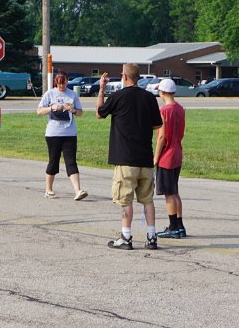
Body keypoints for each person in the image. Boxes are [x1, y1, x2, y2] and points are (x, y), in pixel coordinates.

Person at [96, 63, 163, 250]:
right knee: (147, 200)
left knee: (125, 199)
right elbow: (157, 125)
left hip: (125, 158)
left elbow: (99, 113)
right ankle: (151, 236)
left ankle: (126, 236)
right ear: (138, 77)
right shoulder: (149, 97)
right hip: (145, 158)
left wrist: (101, 89)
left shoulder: (118, 96)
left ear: (124, 76)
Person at [36, 70, 87, 200]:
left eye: (63, 83)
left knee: (71, 161)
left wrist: (72, 110)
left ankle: (78, 191)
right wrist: (52, 108)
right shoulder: (50, 94)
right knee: (54, 161)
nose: (61, 86)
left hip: (70, 133)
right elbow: (39, 111)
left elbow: (81, 113)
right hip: (53, 133)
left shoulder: (72, 94)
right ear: (55, 83)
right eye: (59, 84)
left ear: (67, 81)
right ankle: (48, 190)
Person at [153, 78, 188, 239]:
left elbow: (162, 137)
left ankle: (173, 226)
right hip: (177, 152)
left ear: (163, 92)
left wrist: (156, 157)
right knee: (175, 191)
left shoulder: (164, 110)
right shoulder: (180, 109)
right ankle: (180, 226)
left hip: (166, 156)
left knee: (169, 194)